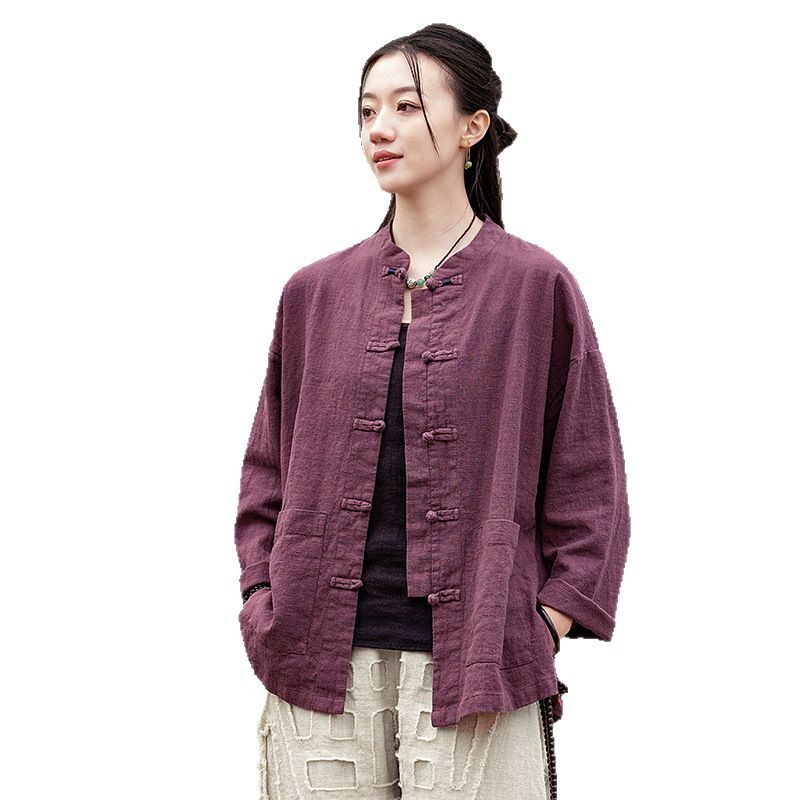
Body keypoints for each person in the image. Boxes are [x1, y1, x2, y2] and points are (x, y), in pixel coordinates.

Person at [234, 23, 631, 800]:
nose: (379, 128)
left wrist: (545, 620)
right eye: (367, 110)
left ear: (473, 127)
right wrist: (260, 598)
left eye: (406, 107)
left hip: (477, 664)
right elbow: (266, 470)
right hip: (314, 663)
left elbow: (590, 480)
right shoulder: (313, 294)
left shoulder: (534, 288)